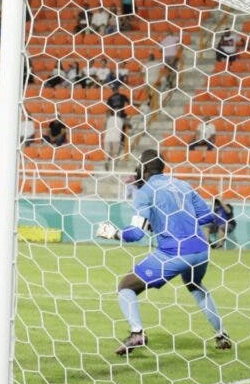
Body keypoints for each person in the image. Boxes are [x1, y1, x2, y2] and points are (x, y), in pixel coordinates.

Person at [94, 149, 233, 354]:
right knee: (195, 285)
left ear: (145, 168)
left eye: (140, 165)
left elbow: (135, 234)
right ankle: (222, 334)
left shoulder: (145, 192)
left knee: (127, 285)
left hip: (174, 252)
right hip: (200, 249)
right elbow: (207, 216)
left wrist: (112, 233)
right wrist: (168, 221)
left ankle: (137, 333)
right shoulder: (182, 185)